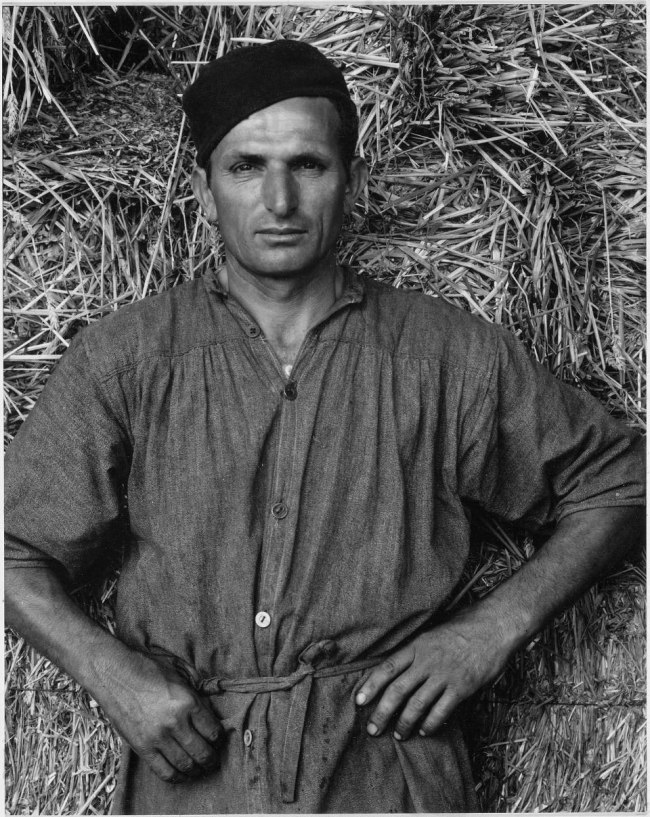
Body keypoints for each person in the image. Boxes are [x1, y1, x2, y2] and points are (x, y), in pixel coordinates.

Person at [5, 40, 644, 814]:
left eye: (307, 164)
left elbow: (619, 481)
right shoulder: (128, 358)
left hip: (387, 775)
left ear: (353, 182)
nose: (278, 200)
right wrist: (115, 676)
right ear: (204, 191)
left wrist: (491, 631)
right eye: (246, 167)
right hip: (195, 782)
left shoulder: (443, 355)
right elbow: (13, 549)